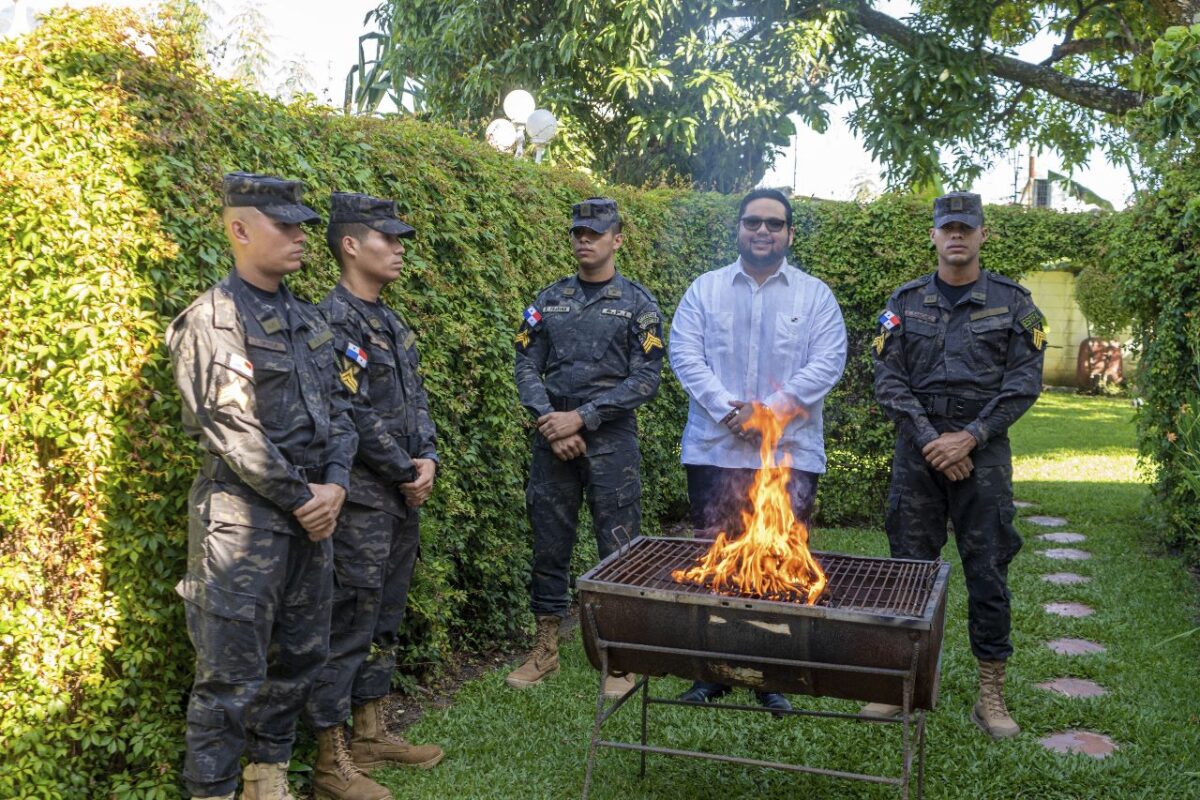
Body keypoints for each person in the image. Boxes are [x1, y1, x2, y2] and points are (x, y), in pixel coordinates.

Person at [167, 173, 356, 800]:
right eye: (285, 225)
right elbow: (233, 429)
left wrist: (333, 484)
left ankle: (266, 778)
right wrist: (307, 499)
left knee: (302, 657)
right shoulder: (212, 320)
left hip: (312, 519)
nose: (301, 236)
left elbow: (340, 411)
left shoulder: (307, 319)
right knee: (229, 679)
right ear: (240, 230)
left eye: (303, 224)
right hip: (243, 524)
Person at [869, 191, 1046, 739]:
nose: (957, 236)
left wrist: (967, 439)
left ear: (983, 235)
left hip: (983, 453)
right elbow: (888, 379)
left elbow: (1023, 383)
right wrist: (932, 441)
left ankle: (989, 695)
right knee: (909, 571)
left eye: (967, 228)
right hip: (919, 454)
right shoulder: (904, 301)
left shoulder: (1015, 304)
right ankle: (902, 684)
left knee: (988, 571)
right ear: (933, 236)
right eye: (948, 228)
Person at [669, 187, 847, 715]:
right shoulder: (704, 289)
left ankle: (773, 673)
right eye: (753, 222)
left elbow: (827, 363)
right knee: (714, 563)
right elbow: (685, 355)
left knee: (782, 565)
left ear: (790, 233)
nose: (762, 231)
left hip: (787, 455)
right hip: (714, 450)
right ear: (739, 229)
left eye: (774, 223)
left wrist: (766, 412)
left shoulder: (815, 297)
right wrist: (732, 412)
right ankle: (712, 672)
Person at [306, 193, 445, 800]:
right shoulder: (331, 321)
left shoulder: (389, 320)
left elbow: (416, 402)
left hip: (399, 496)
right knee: (347, 623)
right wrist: (402, 470)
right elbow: (348, 413)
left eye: (400, 238)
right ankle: (330, 758)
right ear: (350, 245)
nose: (399, 248)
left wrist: (430, 459)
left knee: (384, 616)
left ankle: (370, 731)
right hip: (362, 500)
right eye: (387, 238)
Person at [508, 197, 664, 698]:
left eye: (594, 233)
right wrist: (551, 421)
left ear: (617, 239)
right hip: (553, 436)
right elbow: (525, 364)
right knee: (550, 541)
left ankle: (620, 656)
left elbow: (647, 378)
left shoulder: (638, 304)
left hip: (611, 438)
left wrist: (584, 417)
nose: (583, 240)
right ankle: (545, 649)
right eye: (578, 232)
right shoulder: (548, 300)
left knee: (619, 546)